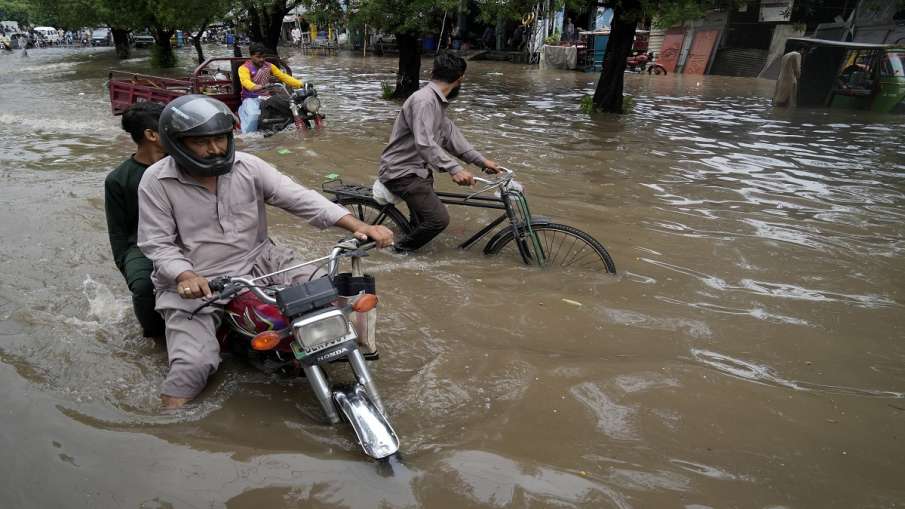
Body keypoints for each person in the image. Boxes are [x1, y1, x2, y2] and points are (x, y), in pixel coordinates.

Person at [137, 95, 393, 408]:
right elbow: (156, 243)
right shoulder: (156, 181)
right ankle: (168, 424)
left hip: (262, 262)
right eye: (202, 142)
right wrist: (185, 275)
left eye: (220, 138)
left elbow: (300, 198)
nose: (215, 149)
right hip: (197, 281)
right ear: (176, 143)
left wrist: (357, 225)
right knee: (194, 365)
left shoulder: (250, 166)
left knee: (332, 308)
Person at [377, 53, 500, 253]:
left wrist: (482, 162)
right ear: (460, 78)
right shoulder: (424, 101)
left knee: (420, 224)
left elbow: (454, 140)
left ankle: (411, 249)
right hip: (402, 173)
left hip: (419, 172)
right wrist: (454, 169)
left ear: (433, 73)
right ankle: (397, 252)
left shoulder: (436, 102)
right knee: (438, 220)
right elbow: (424, 143)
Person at [105, 102, 168, 340]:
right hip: (141, 245)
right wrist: (127, 267)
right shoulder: (118, 179)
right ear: (151, 135)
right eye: (168, 128)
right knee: (143, 287)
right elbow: (118, 232)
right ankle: (156, 338)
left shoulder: (184, 164)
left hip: (186, 235)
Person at [237, 43, 303, 133]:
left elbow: (283, 77)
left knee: (290, 108)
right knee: (253, 116)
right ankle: (249, 137)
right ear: (251, 56)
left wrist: (300, 84)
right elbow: (245, 82)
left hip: (267, 97)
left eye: (263, 57)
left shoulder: (269, 66)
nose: (262, 59)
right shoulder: (243, 68)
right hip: (250, 98)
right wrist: (255, 87)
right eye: (258, 57)